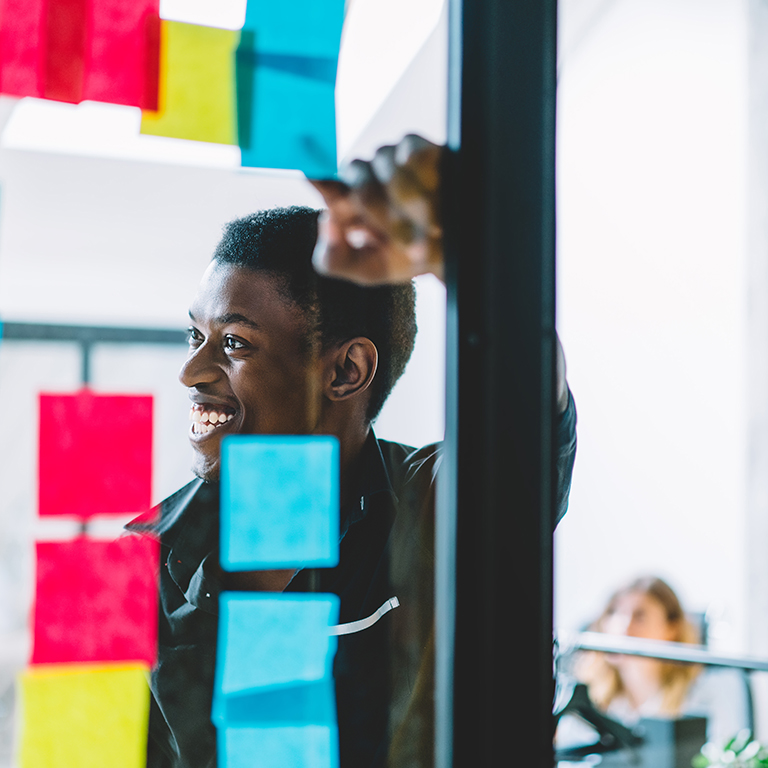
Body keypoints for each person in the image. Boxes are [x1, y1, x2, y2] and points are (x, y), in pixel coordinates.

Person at [132, 207, 576, 766]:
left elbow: (528, 406)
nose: (191, 370)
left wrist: (460, 247)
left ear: (345, 371)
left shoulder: (431, 506)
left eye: (236, 343)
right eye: (196, 335)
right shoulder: (140, 555)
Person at [573, 576, 750, 744]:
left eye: (640, 615)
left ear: (672, 628)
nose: (623, 626)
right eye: (614, 612)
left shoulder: (708, 693)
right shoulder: (590, 698)